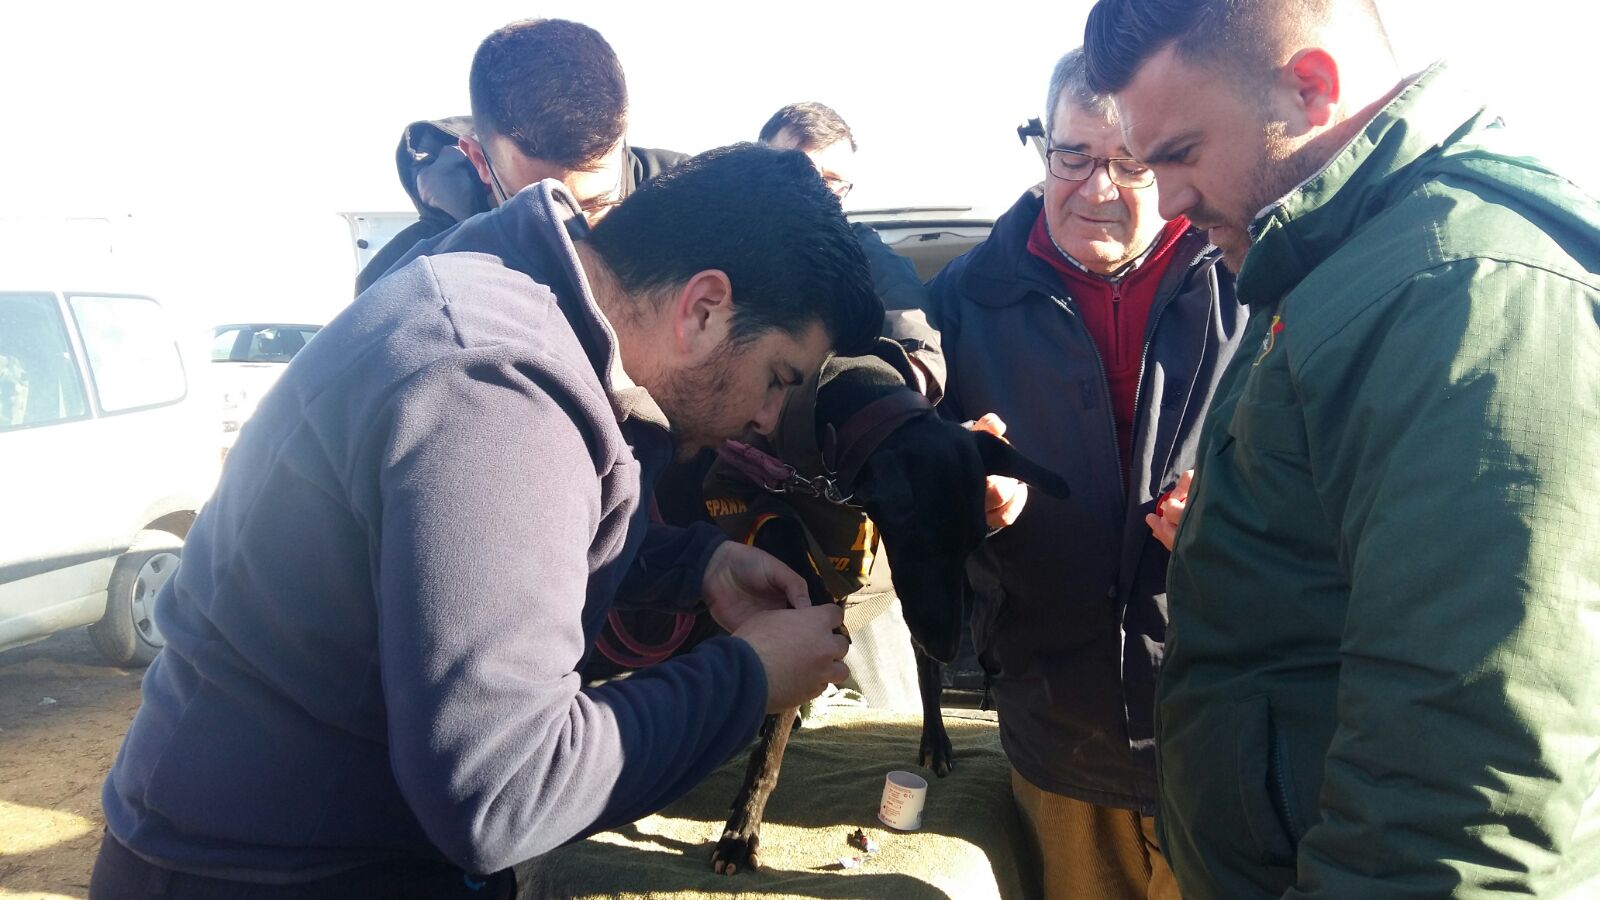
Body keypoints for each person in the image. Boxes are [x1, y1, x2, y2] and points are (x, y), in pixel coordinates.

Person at [91, 144, 883, 898]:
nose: (768, 419)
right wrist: (746, 679)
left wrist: (694, 566)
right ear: (704, 308)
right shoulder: (495, 388)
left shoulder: (511, 303)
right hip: (272, 874)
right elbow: (503, 790)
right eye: (778, 378)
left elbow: (478, 548)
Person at [1082, 1, 1600, 897]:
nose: (1164, 201)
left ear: (1311, 88)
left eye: (1179, 155)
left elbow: (1464, 781)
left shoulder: (1459, 297)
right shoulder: (1335, 267)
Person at [920, 48, 1246, 899]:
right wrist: (961, 494)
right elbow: (905, 498)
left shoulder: (1256, 283)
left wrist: (1239, 503)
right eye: (1074, 157)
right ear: (1042, 146)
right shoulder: (959, 302)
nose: (1098, 189)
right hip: (1055, 734)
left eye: (1131, 162)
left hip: (1227, 744)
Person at [354, 18, 687, 295]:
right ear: (479, 161)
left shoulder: (702, 211)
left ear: (620, 143)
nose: (568, 239)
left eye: (597, 205)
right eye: (539, 206)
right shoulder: (399, 283)